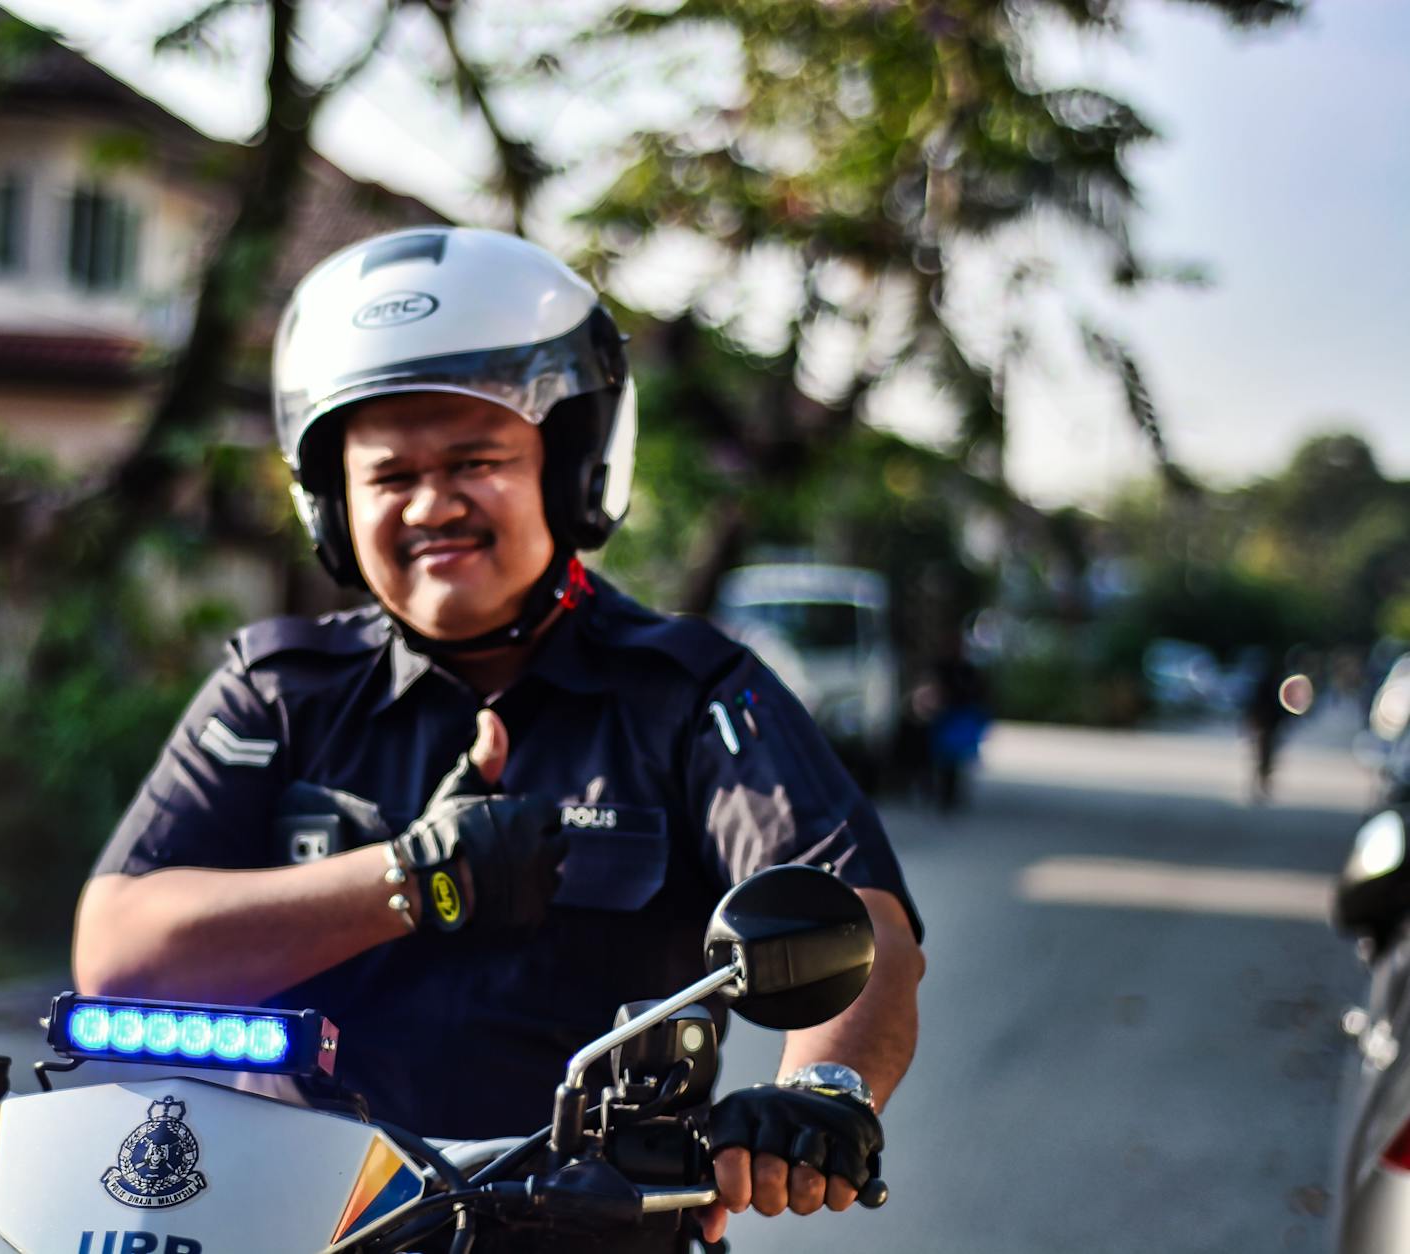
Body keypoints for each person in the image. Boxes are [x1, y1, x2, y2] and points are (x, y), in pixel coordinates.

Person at [74, 227, 925, 1245]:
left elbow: (856, 924)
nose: (433, 505)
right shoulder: (277, 692)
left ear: (569, 471)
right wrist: (408, 879)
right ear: (334, 505)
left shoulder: (687, 694)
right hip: (281, 1226)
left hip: (586, 1232)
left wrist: (823, 1092)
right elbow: (117, 951)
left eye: (476, 460)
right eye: (389, 476)